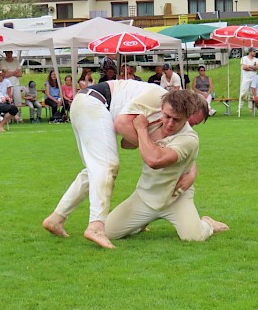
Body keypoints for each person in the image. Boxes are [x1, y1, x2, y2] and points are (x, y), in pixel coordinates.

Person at [42, 80, 208, 249]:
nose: (190, 126)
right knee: (107, 166)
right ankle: (96, 226)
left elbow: (183, 152)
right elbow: (121, 124)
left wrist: (190, 170)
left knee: (95, 170)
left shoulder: (169, 119)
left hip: (86, 102)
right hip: (94, 102)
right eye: (192, 122)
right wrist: (149, 146)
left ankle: (56, 218)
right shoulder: (156, 98)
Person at [104, 90, 228, 242]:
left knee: (193, 237)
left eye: (177, 120)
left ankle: (208, 224)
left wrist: (142, 129)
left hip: (176, 198)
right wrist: (142, 130)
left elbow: (154, 161)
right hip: (145, 196)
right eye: (167, 116)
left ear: (187, 118)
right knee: (108, 232)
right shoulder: (153, 123)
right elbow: (126, 144)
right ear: (162, 108)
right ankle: (140, 223)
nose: (169, 123)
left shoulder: (189, 139)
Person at [0, 50, 23, 118]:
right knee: (8, 101)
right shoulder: (3, 62)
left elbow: (20, 74)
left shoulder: (16, 61)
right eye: (6, 53)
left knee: (18, 101)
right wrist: (15, 72)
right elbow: (5, 74)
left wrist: (10, 73)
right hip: (7, 85)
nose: (7, 54)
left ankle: (18, 116)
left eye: (8, 53)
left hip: (16, 84)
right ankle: (8, 116)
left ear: (11, 53)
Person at [239, 47, 258, 113]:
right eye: (254, 51)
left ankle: (250, 108)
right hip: (246, 77)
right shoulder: (244, 58)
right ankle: (240, 107)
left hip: (254, 78)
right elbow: (244, 67)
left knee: (252, 93)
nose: (255, 53)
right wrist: (252, 67)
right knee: (243, 92)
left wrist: (249, 66)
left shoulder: (256, 59)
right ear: (250, 52)